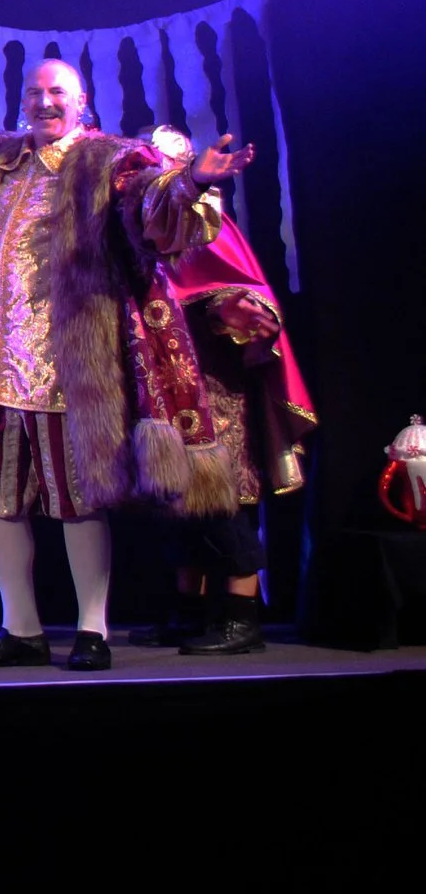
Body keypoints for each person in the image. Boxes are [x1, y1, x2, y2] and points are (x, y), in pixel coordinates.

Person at [0, 57, 249, 671]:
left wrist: (194, 182)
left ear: (80, 102)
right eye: (35, 92)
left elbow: (154, 206)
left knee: (78, 502)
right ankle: (20, 630)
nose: (45, 102)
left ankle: (91, 630)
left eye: (57, 92)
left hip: (71, 371)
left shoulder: (112, 159)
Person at [141, 128, 317, 656]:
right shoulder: (144, 233)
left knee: (223, 498)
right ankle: (189, 611)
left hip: (213, 384)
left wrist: (225, 310)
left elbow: (241, 295)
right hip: (166, 383)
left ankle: (241, 616)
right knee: (176, 500)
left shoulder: (206, 227)